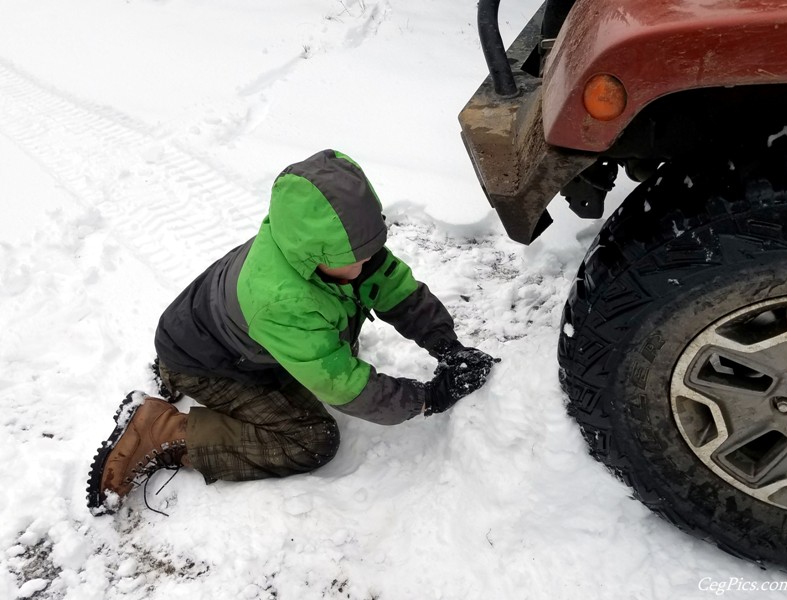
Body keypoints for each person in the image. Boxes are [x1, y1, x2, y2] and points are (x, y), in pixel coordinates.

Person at [86, 149, 498, 515]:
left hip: (218, 332)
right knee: (310, 440)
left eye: (371, 247)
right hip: (208, 364)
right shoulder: (283, 300)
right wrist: (427, 398)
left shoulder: (328, 250)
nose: (369, 260)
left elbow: (395, 291)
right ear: (313, 252)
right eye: (356, 256)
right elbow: (342, 386)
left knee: (338, 341)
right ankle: (164, 429)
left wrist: (447, 346)